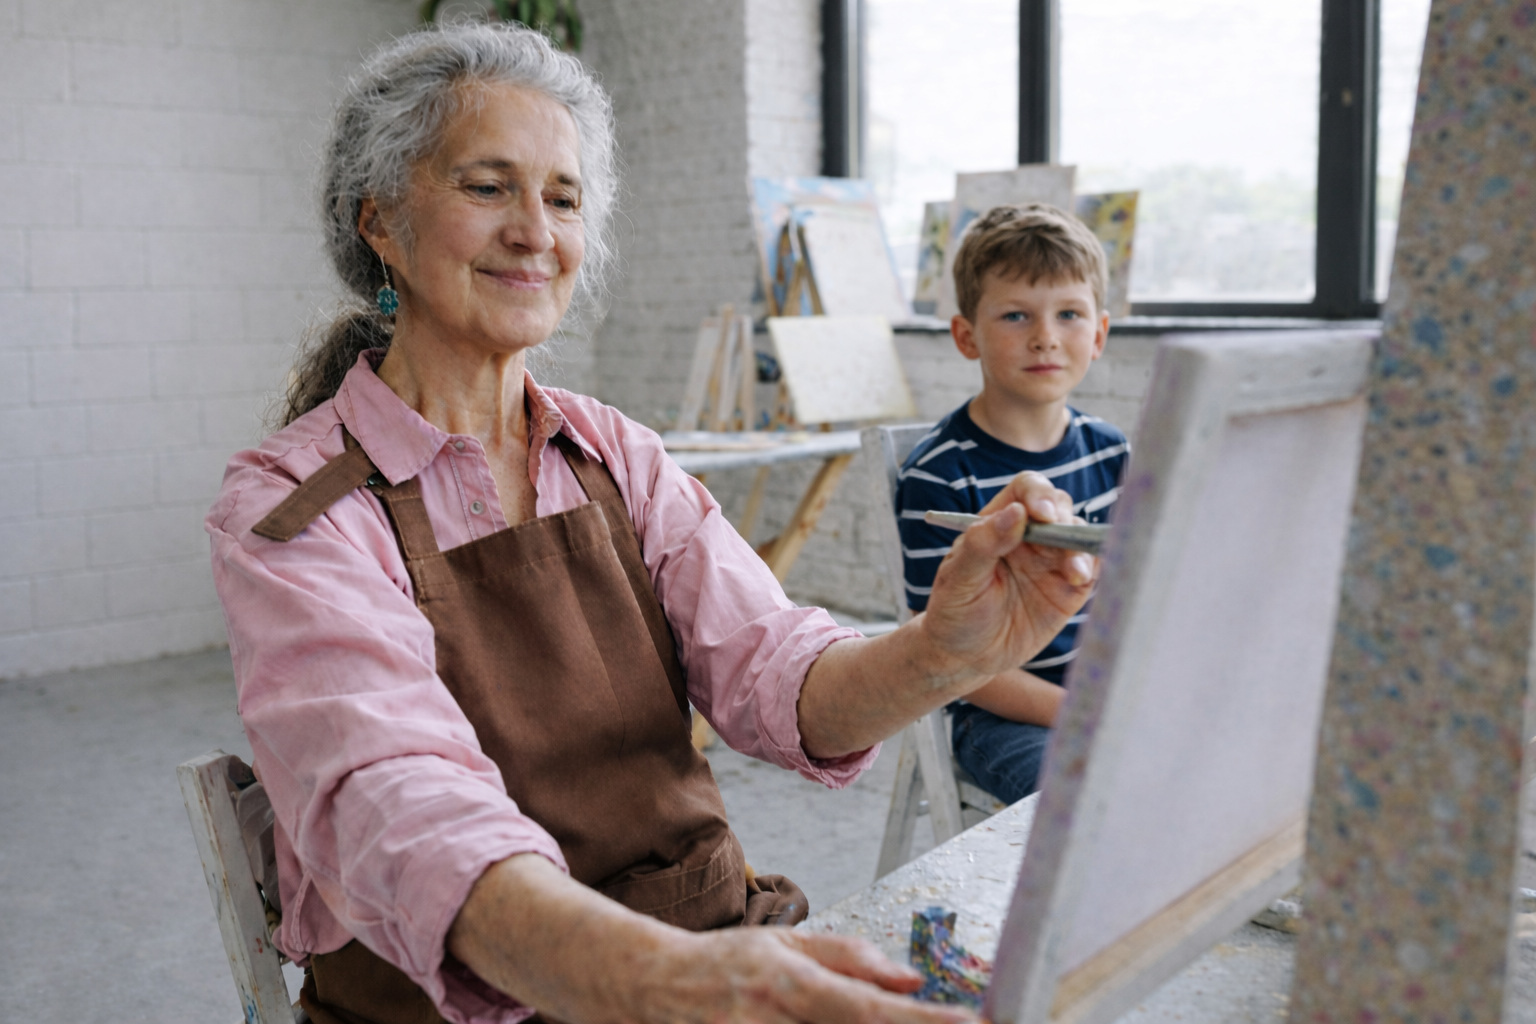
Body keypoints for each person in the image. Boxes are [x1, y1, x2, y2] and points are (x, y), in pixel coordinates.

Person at [205, 24, 1097, 1024]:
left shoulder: (613, 453)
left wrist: (943, 652)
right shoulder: (290, 506)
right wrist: (660, 982)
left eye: (564, 198)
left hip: (696, 947)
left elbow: (777, 674)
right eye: (487, 186)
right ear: (379, 221)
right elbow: (397, 802)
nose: (535, 232)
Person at [896, 203, 1129, 806]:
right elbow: (947, 655)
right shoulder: (940, 475)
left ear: (1099, 334)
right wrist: (1082, 714)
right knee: (1093, 799)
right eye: (1016, 314)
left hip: (1107, 692)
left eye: (1069, 314)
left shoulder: (1113, 452)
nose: (1045, 335)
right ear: (966, 336)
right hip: (1000, 714)